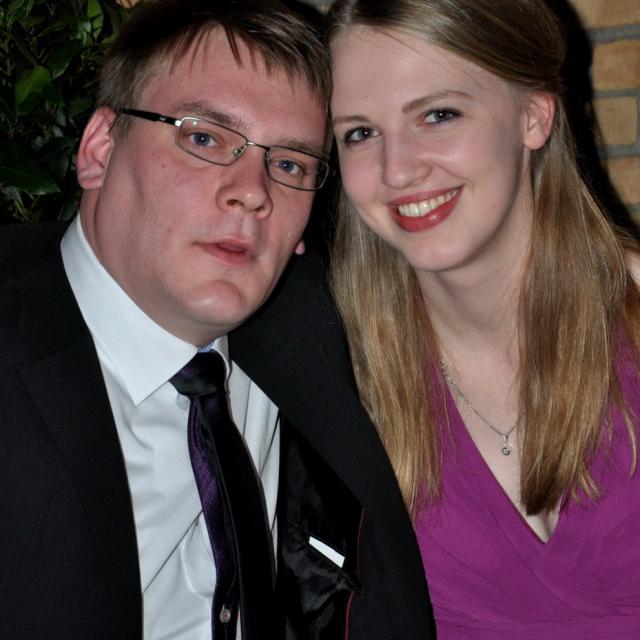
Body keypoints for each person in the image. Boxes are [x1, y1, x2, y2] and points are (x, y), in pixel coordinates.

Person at [0, 0, 434, 638]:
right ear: (99, 148)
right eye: (203, 138)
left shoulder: (309, 324)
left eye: (288, 164)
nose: (253, 192)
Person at [327, 0, 640, 637]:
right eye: (360, 133)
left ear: (534, 115)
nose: (397, 170)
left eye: (437, 115)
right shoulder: (327, 370)